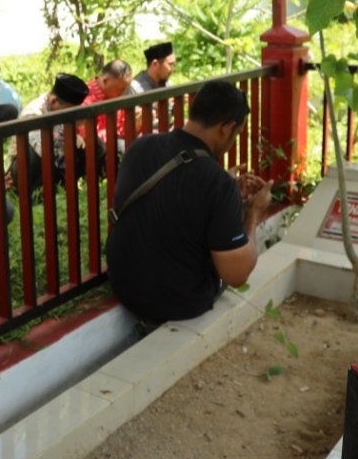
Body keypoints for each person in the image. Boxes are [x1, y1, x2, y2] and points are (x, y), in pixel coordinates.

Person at [106, 82, 273, 323]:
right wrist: (253, 213)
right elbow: (237, 275)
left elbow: (172, 195)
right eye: (236, 134)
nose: (233, 141)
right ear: (227, 128)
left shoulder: (141, 146)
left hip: (125, 287)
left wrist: (226, 186)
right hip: (180, 303)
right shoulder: (216, 183)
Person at [16, 73, 99, 193]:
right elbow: (41, 149)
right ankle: (36, 194)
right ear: (54, 101)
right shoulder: (33, 113)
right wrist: (70, 136)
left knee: (94, 143)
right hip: (28, 166)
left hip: (56, 161)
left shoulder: (57, 106)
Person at [84, 59, 135, 144]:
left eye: (126, 89)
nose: (123, 94)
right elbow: (87, 137)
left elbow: (122, 127)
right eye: (121, 90)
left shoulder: (115, 95)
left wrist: (134, 122)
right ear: (105, 81)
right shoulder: (86, 98)